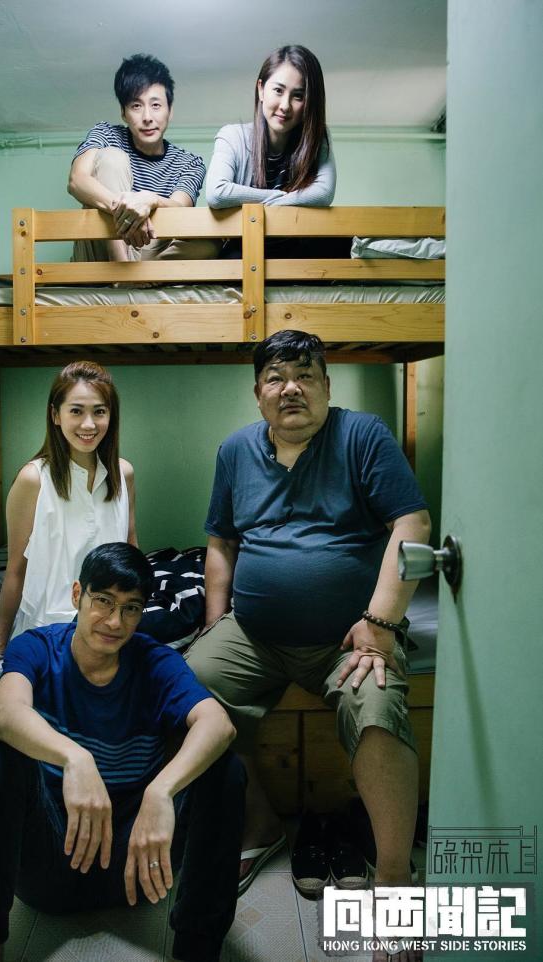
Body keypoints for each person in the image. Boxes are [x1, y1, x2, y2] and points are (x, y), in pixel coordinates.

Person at [186, 330, 431, 902]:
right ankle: (259, 825)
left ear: (326, 385)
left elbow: (412, 523)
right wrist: (215, 623)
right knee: (183, 689)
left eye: (304, 376)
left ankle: (394, 874)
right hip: (255, 634)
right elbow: (221, 543)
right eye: (275, 378)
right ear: (258, 393)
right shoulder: (235, 451)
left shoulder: (362, 435)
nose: (290, 388)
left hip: (351, 635)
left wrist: (381, 622)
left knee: (377, 705)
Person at [0, 542, 245, 962]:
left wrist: (161, 791)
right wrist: (75, 758)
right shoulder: (37, 647)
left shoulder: (154, 661)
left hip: (138, 865)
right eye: (103, 601)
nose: (115, 621)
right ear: (78, 594)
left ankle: (197, 950)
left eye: (131, 608)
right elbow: (5, 713)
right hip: (52, 862)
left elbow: (218, 724)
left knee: (225, 771)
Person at [0, 360, 136, 670]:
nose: (89, 424)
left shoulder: (123, 473)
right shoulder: (33, 479)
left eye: (99, 412)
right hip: (51, 626)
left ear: (111, 416)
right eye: (76, 411)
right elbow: (16, 569)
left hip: (112, 624)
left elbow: (130, 548)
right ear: (56, 415)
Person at [68, 53, 217, 262]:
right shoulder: (107, 134)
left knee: (210, 243)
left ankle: (139, 274)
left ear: (170, 111)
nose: (147, 117)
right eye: (136, 106)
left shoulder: (189, 163)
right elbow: (77, 181)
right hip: (102, 251)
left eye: (156, 105)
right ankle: (123, 269)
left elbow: (180, 209)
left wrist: (150, 200)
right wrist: (129, 212)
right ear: (123, 112)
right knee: (112, 157)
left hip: (150, 249)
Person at [206, 44, 336, 251]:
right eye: (278, 90)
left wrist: (265, 203)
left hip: (296, 247)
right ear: (261, 89)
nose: (285, 105)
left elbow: (323, 193)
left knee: (343, 242)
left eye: (298, 96)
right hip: (246, 247)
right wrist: (278, 197)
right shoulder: (232, 136)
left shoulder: (317, 139)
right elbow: (217, 193)